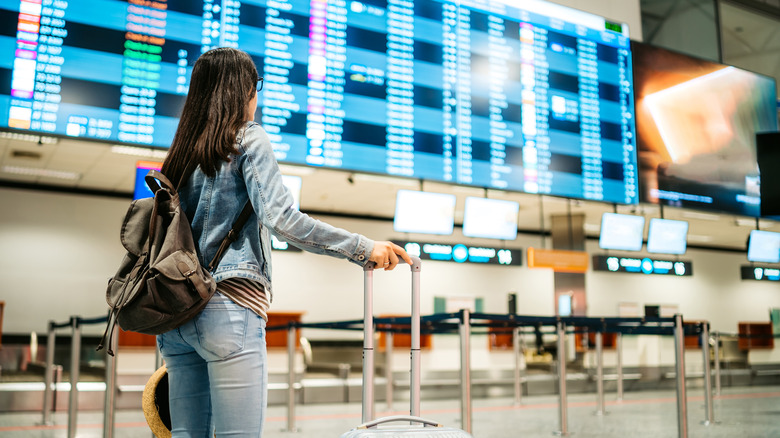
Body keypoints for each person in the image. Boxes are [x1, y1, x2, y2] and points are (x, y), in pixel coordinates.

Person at [158, 47, 412, 438]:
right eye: (255, 87)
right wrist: (362, 247)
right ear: (243, 90)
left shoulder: (178, 156)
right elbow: (283, 220)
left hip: (175, 317)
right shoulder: (246, 138)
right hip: (229, 309)